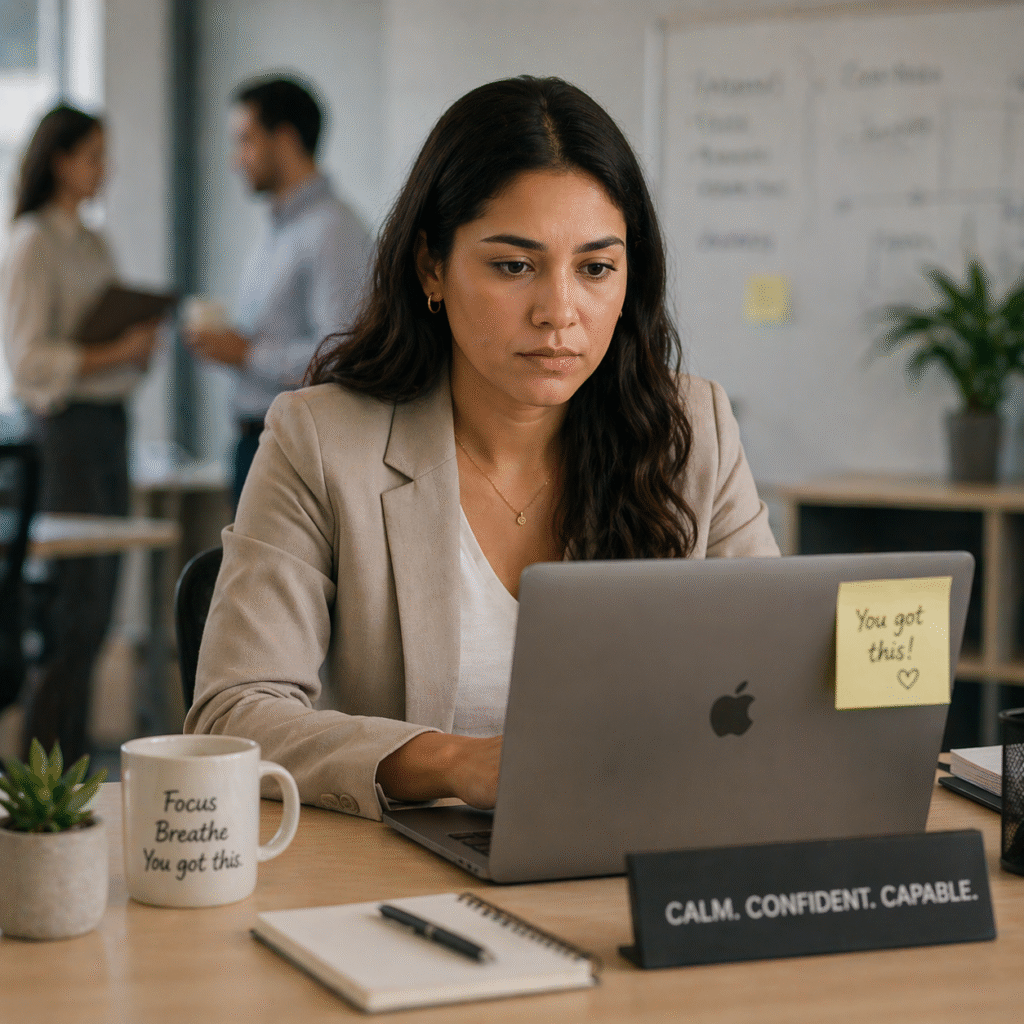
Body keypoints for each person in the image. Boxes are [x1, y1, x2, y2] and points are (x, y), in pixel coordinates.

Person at [184, 76, 779, 819]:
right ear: (432, 266)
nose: (559, 311)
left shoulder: (693, 429)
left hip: (642, 861)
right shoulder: (322, 440)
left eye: (595, 268)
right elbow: (232, 714)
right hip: (402, 886)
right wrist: (454, 763)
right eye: (513, 265)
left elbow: (774, 674)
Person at [0, 103, 160, 762]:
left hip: (108, 428)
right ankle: (41, 784)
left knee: (97, 613)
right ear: (60, 160)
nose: (105, 169)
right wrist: (112, 354)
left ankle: (68, 771)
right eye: (93, 154)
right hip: (60, 436)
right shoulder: (34, 241)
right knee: (73, 613)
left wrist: (136, 353)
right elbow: (28, 360)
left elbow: (111, 355)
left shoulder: (95, 243)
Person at [185, 75, 372, 507]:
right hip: (257, 443)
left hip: (295, 453)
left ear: (284, 139)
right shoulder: (278, 230)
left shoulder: (332, 231)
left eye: (245, 140)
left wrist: (245, 353)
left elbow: (341, 354)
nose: (236, 160)